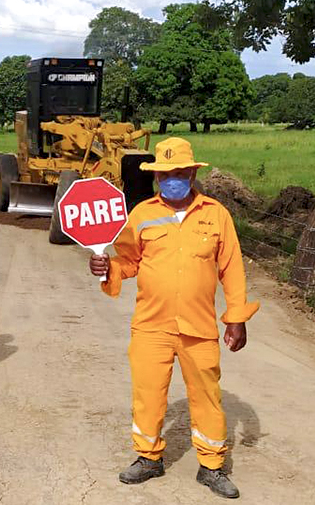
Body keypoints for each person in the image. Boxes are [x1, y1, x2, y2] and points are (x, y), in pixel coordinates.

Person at [89, 136, 258, 499]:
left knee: (208, 396)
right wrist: (106, 269)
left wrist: (236, 317)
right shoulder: (142, 215)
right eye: (165, 174)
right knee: (147, 395)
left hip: (199, 327)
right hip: (152, 325)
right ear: (156, 178)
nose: (172, 179)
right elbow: (127, 261)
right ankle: (149, 458)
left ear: (192, 173)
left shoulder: (216, 215)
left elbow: (232, 268)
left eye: (179, 172)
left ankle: (211, 466)